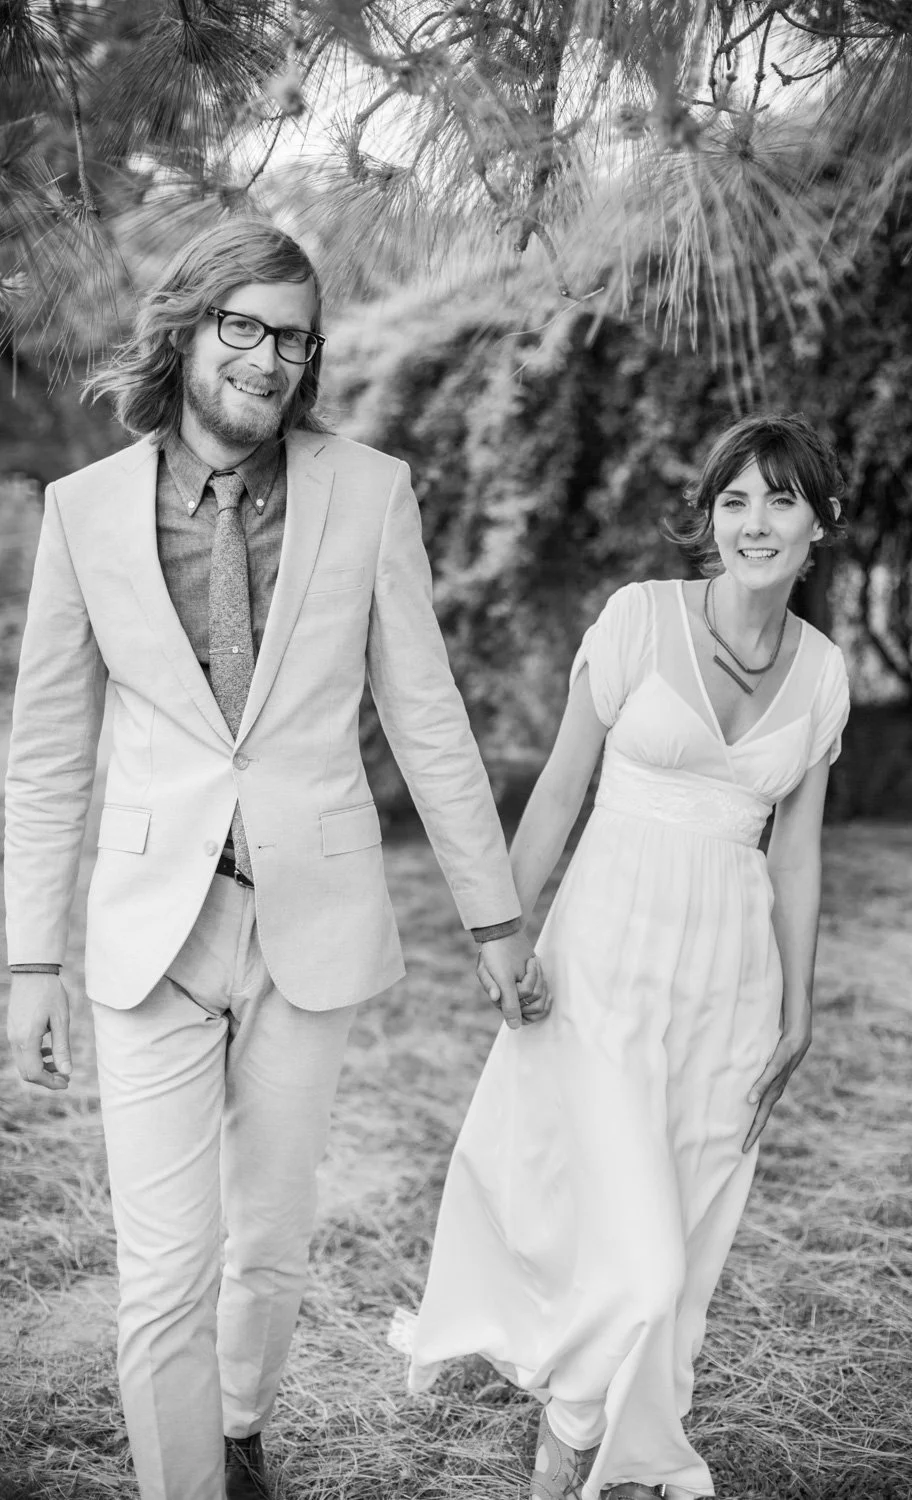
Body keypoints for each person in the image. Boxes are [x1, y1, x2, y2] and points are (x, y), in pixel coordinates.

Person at [3, 219, 548, 1500]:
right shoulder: (85, 513)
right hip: (154, 933)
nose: (266, 357)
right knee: (163, 1269)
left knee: (272, 1241)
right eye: (241, 325)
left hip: (312, 918)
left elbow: (426, 717)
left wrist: (495, 920)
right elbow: (48, 754)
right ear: (187, 329)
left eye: (291, 337)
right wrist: (28, 961)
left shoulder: (369, 490)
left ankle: (240, 1431)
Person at [407, 413, 851, 1500]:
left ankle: (615, 1434)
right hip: (604, 963)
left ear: (820, 525)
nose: (754, 522)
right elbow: (561, 787)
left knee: (682, 1249)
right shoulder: (637, 620)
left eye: (781, 499)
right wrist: (504, 932)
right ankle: (571, 1432)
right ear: (709, 517)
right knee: (639, 1260)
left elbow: (795, 853)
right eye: (734, 499)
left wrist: (798, 1009)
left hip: (730, 987)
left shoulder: (825, 673)